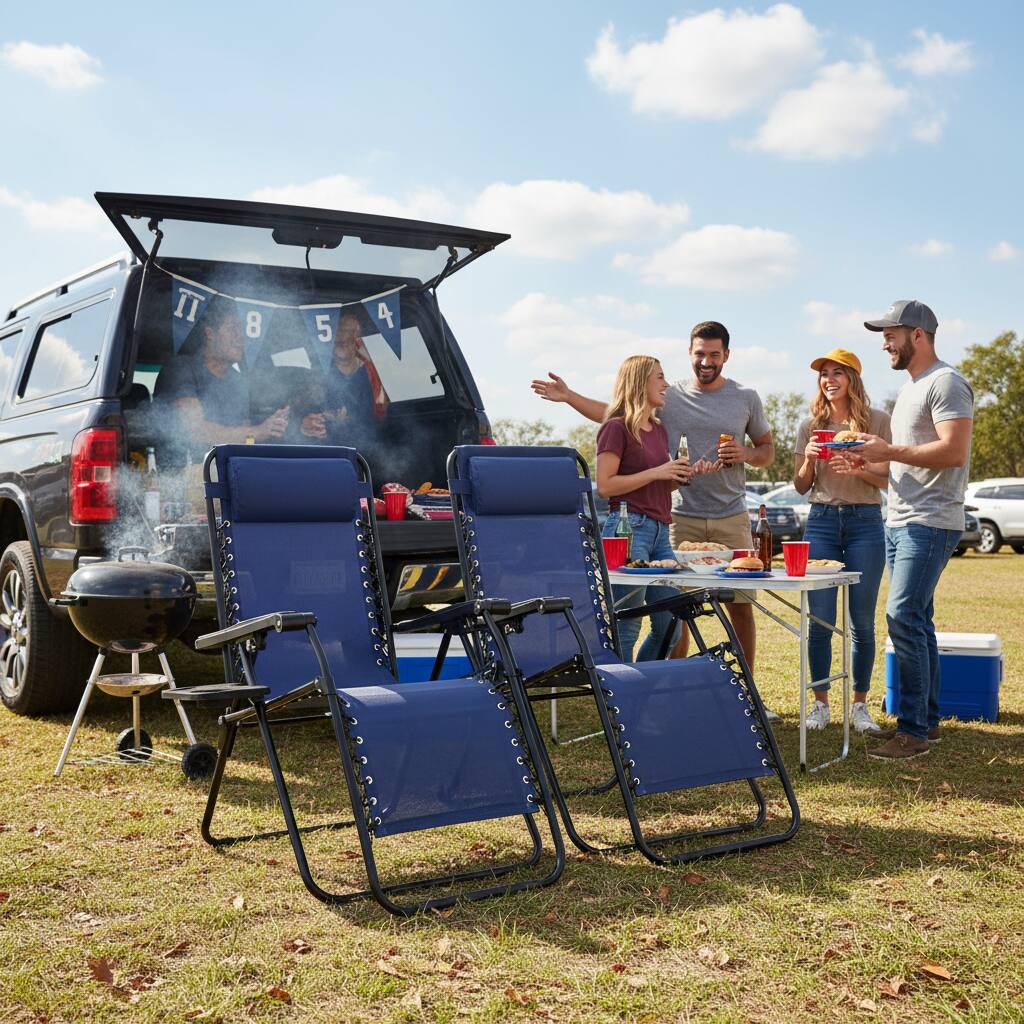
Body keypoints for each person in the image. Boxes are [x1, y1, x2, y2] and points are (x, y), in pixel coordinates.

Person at [533, 322, 775, 695]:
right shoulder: (662, 404)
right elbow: (615, 418)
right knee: (643, 619)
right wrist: (570, 397)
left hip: (711, 517)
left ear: (726, 354)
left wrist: (697, 468)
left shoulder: (733, 401)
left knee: (701, 614)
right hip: (663, 523)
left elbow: (765, 450)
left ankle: (715, 690)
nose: (705, 361)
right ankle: (642, 691)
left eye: (714, 354)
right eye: (699, 353)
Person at [855, 300, 974, 761]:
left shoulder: (946, 382)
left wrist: (890, 449)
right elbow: (905, 460)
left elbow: (953, 452)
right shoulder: (910, 389)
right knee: (918, 621)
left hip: (929, 522)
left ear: (918, 335)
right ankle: (927, 722)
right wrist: (869, 461)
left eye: (891, 333)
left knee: (901, 616)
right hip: (901, 519)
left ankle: (913, 731)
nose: (885, 341)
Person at [793, 348, 891, 736]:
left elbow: (887, 479)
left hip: (866, 521)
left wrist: (858, 466)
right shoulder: (810, 426)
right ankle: (820, 705)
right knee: (819, 620)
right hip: (821, 523)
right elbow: (801, 486)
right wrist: (809, 460)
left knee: (861, 622)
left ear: (853, 378)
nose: (828, 379)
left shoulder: (878, 422)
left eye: (837, 372)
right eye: (823, 374)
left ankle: (860, 706)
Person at [595, 355, 691, 660]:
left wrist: (684, 475)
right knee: (627, 625)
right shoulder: (615, 428)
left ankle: (641, 687)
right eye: (660, 378)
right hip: (627, 530)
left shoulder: (658, 429)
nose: (667, 384)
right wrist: (658, 472)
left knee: (670, 624)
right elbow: (606, 486)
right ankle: (620, 700)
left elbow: (658, 484)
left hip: (661, 533)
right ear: (640, 383)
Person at [155, 301, 290, 448]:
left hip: (229, 468)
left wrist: (272, 427)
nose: (241, 337)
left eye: (243, 330)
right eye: (233, 328)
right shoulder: (181, 368)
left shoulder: (238, 381)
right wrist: (258, 431)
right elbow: (194, 431)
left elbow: (247, 437)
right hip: (181, 467)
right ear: (210, 334)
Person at [301, 313, 381, 441]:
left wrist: (343, 422)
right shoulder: (316, 373)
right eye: (340, 329)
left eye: (350, 332)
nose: (343, 336)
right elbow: (298, 410)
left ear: (358, 340)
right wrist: (305, 424)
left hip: (366, 451)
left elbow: (377, 421)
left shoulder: (374, 373)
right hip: (322, 450)